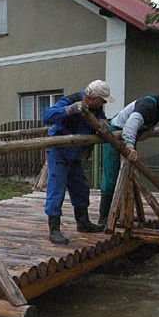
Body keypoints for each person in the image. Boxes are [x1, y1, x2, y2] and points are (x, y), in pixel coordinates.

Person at [97, 88, 159, 226]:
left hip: (127, 138)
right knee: (111, 178)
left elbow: (145, 127)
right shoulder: (147, 106)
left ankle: (123, 214)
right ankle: (104, 219)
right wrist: (130, 146)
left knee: (127, 176)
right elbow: (130, 126)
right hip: (115, 135)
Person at [42, 79, 113, 244]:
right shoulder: (71, 100)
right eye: (102, 100)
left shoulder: (96, 108)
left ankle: (83, 222)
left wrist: (103, 123)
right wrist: (69, 110)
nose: (103, 103)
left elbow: (100, 119)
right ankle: (54, 230)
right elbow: (47, 115)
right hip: (59, 151)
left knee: (81, 188)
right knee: (56, 190)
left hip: (75, 154)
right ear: (93, 98)